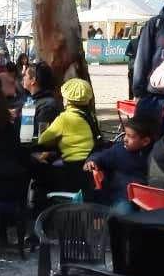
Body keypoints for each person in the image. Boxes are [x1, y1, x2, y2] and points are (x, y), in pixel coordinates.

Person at [32, 79, 100, 210]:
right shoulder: (90, 115)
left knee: (41, 173)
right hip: (89, 164)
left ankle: (41, 212)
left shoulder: (65, 118)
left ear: (67, 100)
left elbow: (43, 139)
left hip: (72, 168)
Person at [84, 114, 156, 214]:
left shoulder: (154, 154)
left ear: (145, 141)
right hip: (123, 197)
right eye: (125, 134)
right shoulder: (119, 150)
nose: (125, 139)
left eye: (130, 136)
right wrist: (92, 161)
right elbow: (102, 156)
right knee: (122, 213)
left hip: (147, 198)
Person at [23, 60, 61, 136]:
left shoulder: (47, 106)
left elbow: (41, 137)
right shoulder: (34, 100)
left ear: (33, 80)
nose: (23, 77)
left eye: (25, 75)